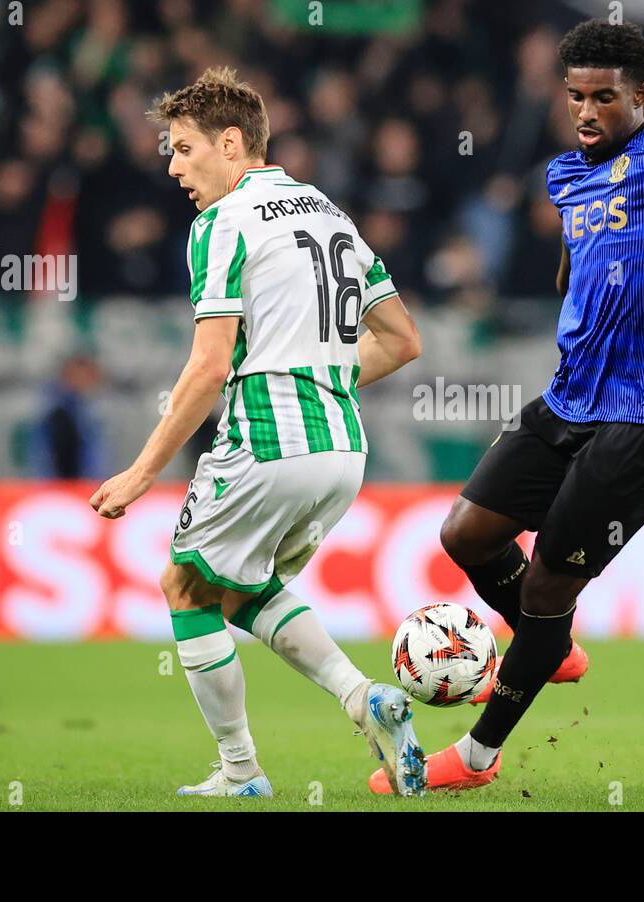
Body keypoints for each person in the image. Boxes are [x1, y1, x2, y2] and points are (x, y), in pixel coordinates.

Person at [372, 21, 644, 793]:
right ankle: (551, 645)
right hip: (571, 398)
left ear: (640, 96)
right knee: (466, 532)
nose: (588, 110)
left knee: (544, 590)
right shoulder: (566, 175)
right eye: (576, 96)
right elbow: (577, 266)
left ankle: (476, 756)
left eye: (605, 96)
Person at [89, 67, 428, 797]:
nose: (173, 166)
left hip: (267, 443)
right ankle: (362, 698)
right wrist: (323, 380)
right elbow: (402, 340)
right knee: (235, 589)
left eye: (183, 149)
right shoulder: (329, 213)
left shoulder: (222, 223)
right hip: (343, 452)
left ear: (232, 143)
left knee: (183, 585)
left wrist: (141, 472)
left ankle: (241, 772)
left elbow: (208, 367)